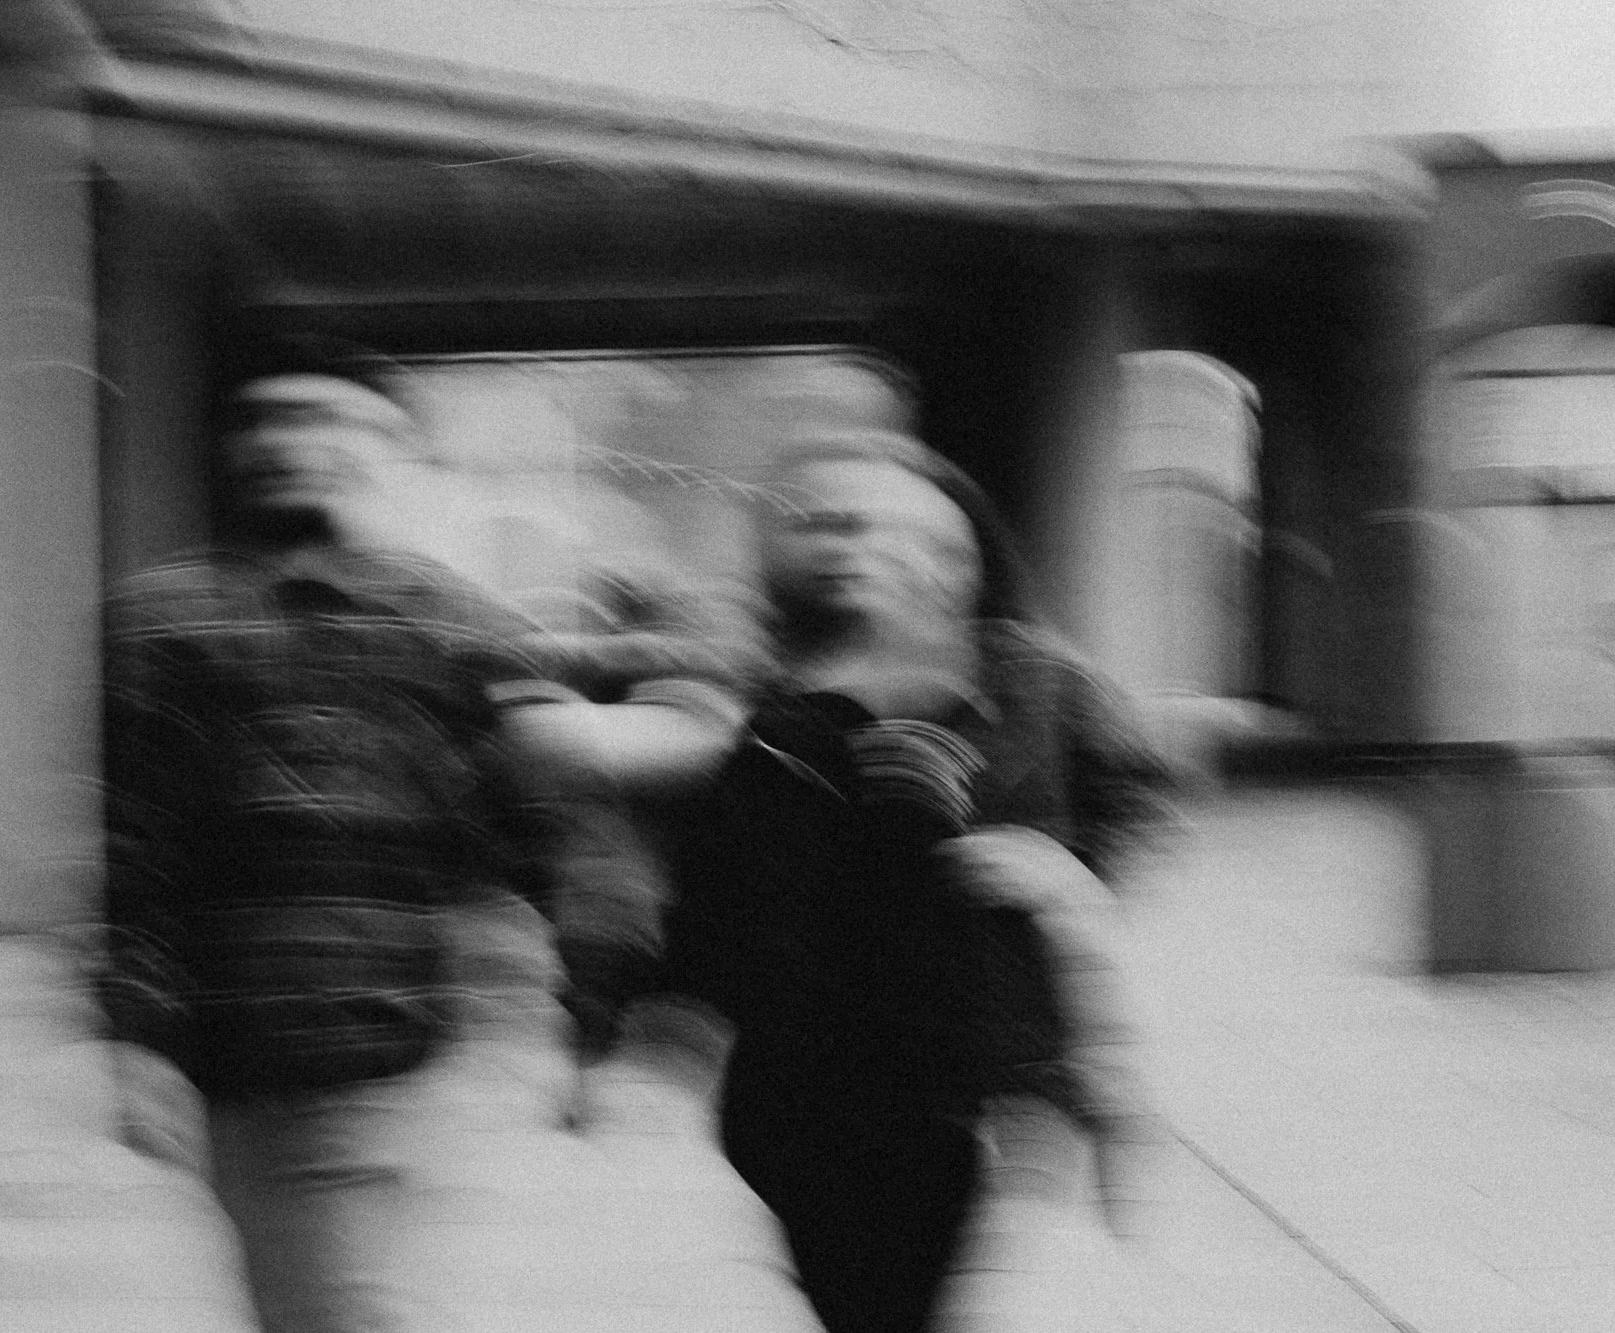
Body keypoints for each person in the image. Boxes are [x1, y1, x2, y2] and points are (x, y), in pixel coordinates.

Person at [96, 371, 741, 1333]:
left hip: (389, 1054)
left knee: (355, 1307)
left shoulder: (459, 629)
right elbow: (133, 846)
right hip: (229, 1061)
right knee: (297, 1303)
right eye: (269, 419)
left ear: (401, 459)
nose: (296, 440)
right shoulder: (161, 625)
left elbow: (551, 836)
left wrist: (592, 1022)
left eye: (334, 419)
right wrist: (136, 1038)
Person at [654, 429, 1170, 1333]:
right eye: (823, 525)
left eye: (906, 537)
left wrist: (1067, 874)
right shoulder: (758, 694)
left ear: (967, 552)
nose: (862, 552)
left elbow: (1134, 797)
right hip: (806, 1085)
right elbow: (713, 885)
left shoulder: (1034, 681)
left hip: (983, 1073)